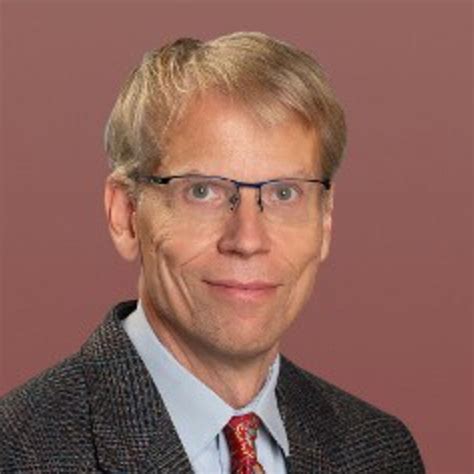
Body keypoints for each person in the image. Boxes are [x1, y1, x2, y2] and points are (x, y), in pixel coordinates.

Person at [0, 32, 424, 473]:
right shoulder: (16, 453)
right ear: (125, 214)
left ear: (325, 222)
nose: (247, 240)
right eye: (202, 191)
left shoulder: (380, 451)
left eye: (284, 193)